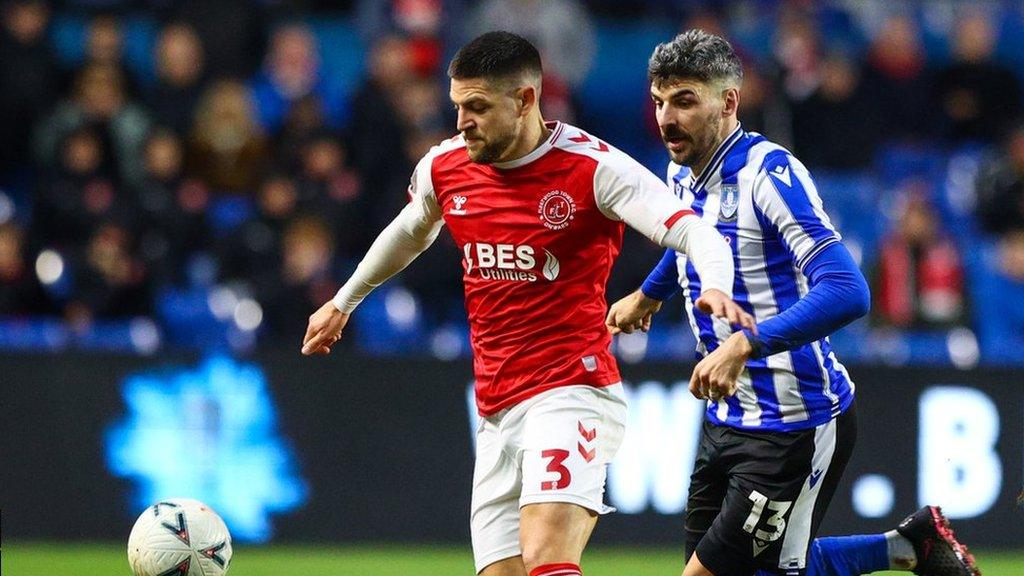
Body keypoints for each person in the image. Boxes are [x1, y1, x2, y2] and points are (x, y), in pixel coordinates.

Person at [302, 31, 753, 576]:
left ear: (524, 100)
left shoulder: (593, 168)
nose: (462, 122)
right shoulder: (445, 167)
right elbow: (410, 230)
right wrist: (343, 302)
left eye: (477, 108)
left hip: (572, 390)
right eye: (458, 107)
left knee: (547, 558)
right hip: (494, 408)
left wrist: (718, 289)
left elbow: (698, 234)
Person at [605, 30, 979, 576]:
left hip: (793, 421)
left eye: (685, 101)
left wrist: (746, 343)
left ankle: (907, 548)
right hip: (727, 414)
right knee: (765, 568)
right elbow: (696, 238)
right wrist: (650, 292)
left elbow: (849, 290)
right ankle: (908, 547)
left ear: (728, 102)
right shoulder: (682, 172)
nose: (666, 119)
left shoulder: (770, 176)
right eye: (660, 101)